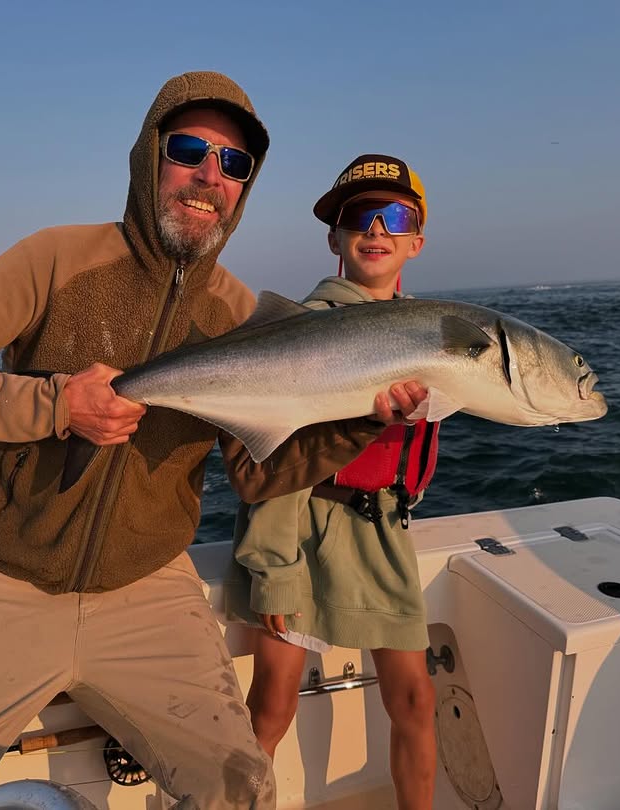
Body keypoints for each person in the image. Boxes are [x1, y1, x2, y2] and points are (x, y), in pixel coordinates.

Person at [0, 75, 428, 810]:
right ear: (149, 156)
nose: (209, 177)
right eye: (191, 150)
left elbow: (260, 478)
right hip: (5, 582)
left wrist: (366, 422)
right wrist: (54, 404)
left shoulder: (239, 313)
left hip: (150, 588)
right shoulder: (56, 258)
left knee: (245, 794)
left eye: (234, 166)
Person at [226, 154, 439, 809]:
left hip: (384, 529)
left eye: (394, 215)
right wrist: (273, 566)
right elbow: (277, 463)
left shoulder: (431, 329)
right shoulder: (301, 327)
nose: (375, 227)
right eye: (357, 216)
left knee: (415, 702)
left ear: (415, 241)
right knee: (272, 706)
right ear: (334, 238)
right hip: (301, 525)